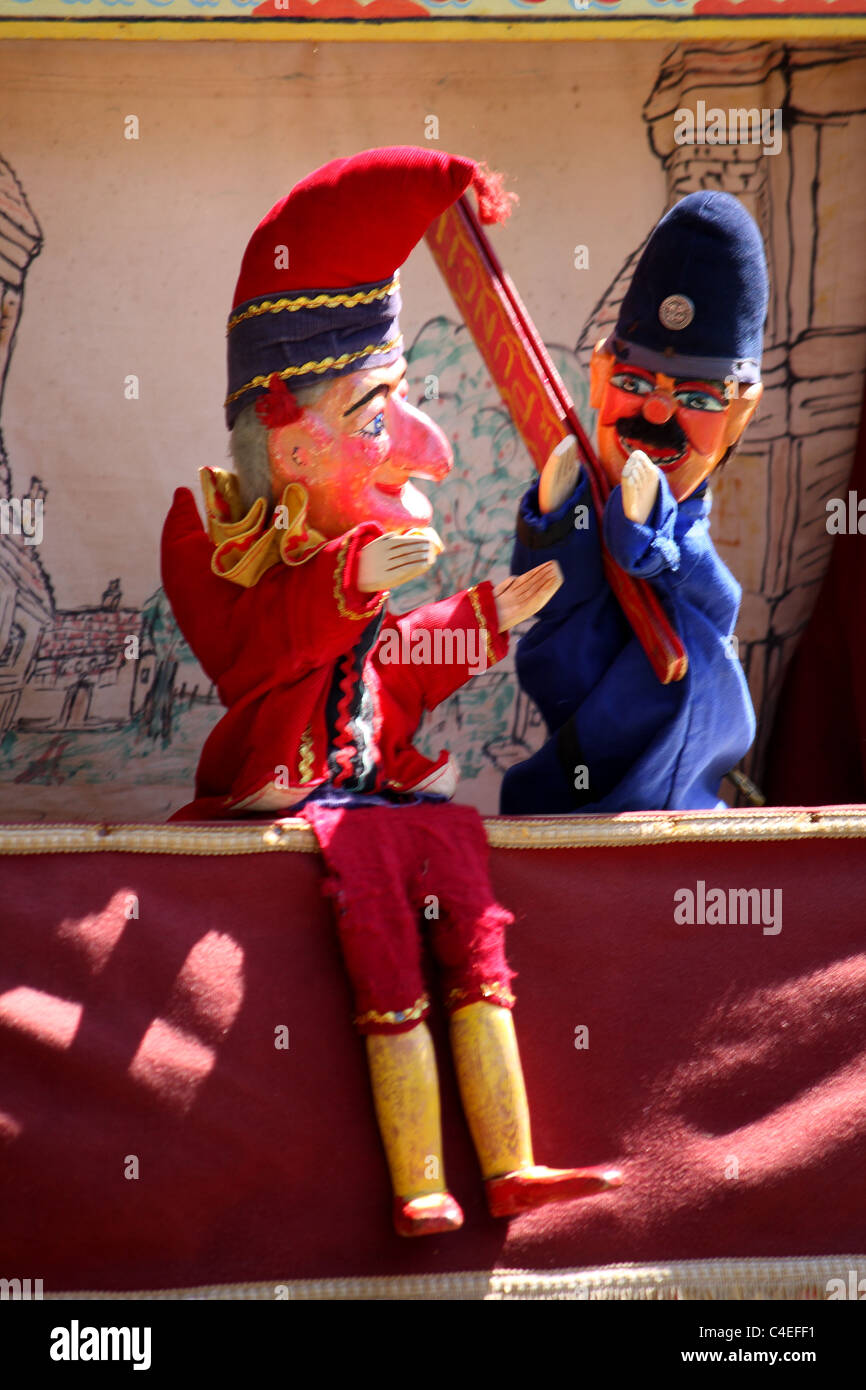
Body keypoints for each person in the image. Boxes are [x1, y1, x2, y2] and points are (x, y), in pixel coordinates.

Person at [161, 146, 621, 1236]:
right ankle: (422, 1177)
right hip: (311, 807)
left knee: (463, 883)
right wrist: (341, 580)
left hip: (380, 793)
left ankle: (510, 1161)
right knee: (379, 921)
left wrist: (479, 622)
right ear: (286, 435)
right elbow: (253, 658)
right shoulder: (211, 543)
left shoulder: (362, 583)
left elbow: (389, 681)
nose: (423, 449)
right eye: (375, 415)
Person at [501, 191, 768, 816]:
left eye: (697, 400)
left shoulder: (687, 542)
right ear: (598, 377)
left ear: (739, 416)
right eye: (632, 384)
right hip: (569, 774)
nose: (654, 414)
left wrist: (651, 540)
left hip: (670, 781)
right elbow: (552, 598)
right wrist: (553, 518)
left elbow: (715, 602)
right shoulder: (591, 500)